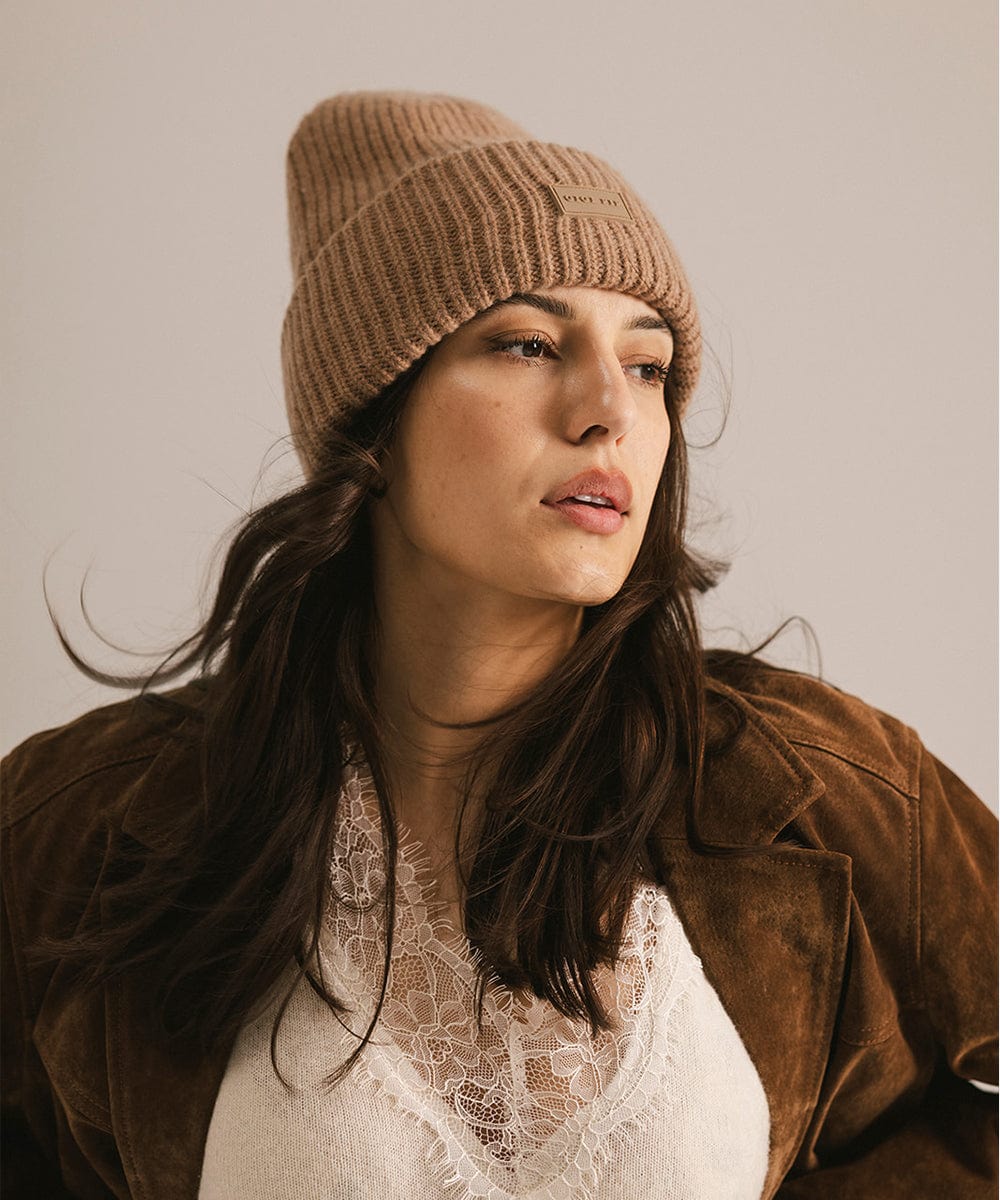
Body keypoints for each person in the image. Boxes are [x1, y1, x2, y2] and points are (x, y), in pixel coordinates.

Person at [1, 91, 996, 1200]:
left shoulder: (822, 791)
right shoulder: (82, 825)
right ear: (372, 420)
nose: (606, 410)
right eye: (528, 343)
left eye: (650, 366)